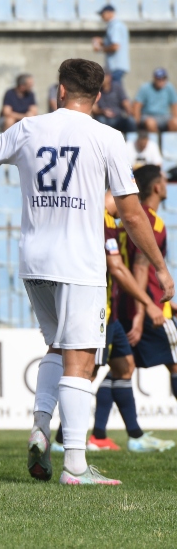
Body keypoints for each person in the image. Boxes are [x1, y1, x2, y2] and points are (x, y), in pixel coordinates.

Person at [0, 58, 173, 486]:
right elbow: (132, 214)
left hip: (34, 260)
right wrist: (162, 268)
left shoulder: (27, 128)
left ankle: (41, 424)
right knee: (81, 358)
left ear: (59, 91)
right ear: (98, 96)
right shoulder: (107, 137)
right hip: (78, 262)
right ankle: (75, 464)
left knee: (56, 347)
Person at [80, 190, 176, 453]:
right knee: (86, 373)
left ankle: (121, 436)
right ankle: (61, 439)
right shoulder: (128, 219)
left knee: (123, 367)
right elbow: (126, 267)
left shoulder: (112, 221)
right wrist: (146, 306)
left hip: (114, 309)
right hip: (104, 309)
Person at [116, 165, 177, 447]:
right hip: (147, 307)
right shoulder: (150, 222)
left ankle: (101, 435)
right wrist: (143, 311)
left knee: (119, 367)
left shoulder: (126, 221)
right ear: (156, 187)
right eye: (164, 180)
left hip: (124, 302)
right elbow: (141, 269)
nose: (167, 184)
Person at [92, 5, 129, 90]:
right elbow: (111, 42)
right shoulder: (116, 25)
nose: (101, 17)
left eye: (103, 14)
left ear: (109, 13)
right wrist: (101, 41)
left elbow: (115, 46)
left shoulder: (115, 26)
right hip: (116, 66)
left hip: (115, 66)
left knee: (115, 91)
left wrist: (100, 49)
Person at [133, 68, 177, 133]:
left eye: (163, 79)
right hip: (148, 115)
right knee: (151, 123)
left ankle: (170, 139)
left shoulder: (169, 88)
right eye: (159, 79)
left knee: (175, 123)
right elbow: (137, 106)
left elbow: (174, 105)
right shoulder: (145, 88)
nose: (161, 81)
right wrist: (137, 124)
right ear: (154, 79)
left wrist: (175, 118)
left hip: (164, 116)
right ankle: (156, 138)